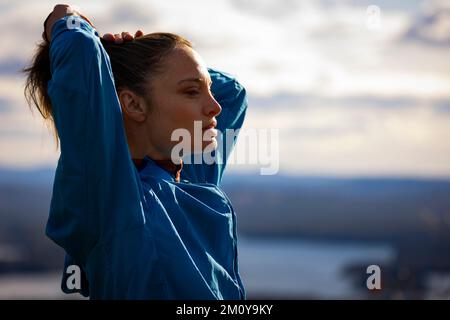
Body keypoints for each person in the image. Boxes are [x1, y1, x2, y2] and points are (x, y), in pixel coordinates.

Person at [23, 4, 247, 299]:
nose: (214, 106)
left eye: (206, 90)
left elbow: (232, 93)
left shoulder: (191, 178)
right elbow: (78, 48)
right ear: (133, 105)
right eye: (192, 92)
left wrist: (130, 59)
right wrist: (73, 26)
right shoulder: (110, 199)